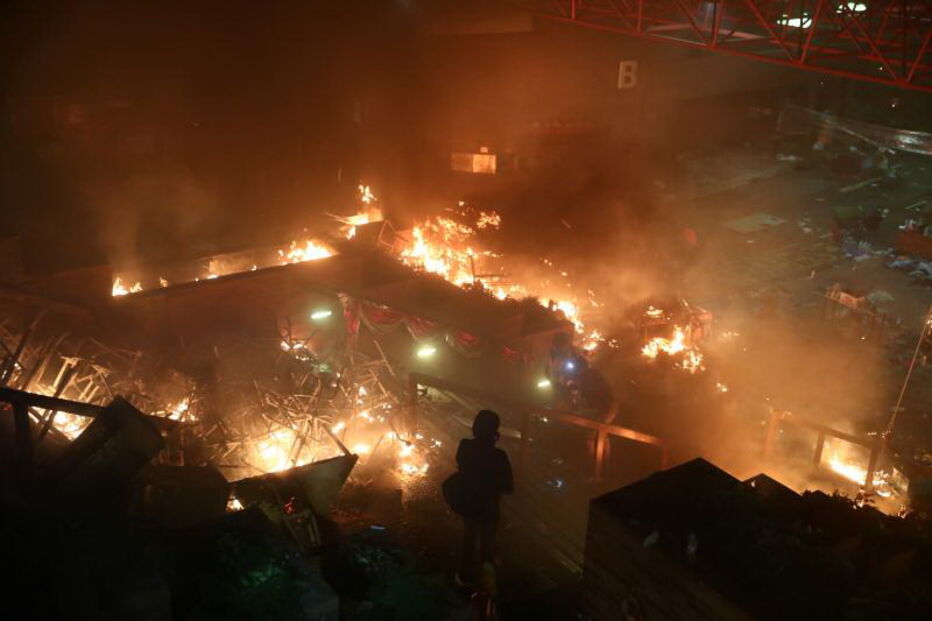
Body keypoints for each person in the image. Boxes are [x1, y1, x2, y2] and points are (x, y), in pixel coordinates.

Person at [455, 410, 513, 585]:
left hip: (469, 503)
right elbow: (508, 487)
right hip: (489, 508)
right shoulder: (499, 457)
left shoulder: (464, 446)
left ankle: (465, 578)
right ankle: (485, 581)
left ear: (474, 428)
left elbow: (460, 465)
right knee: (488, 542)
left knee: (468, 537)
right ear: (495, 432)